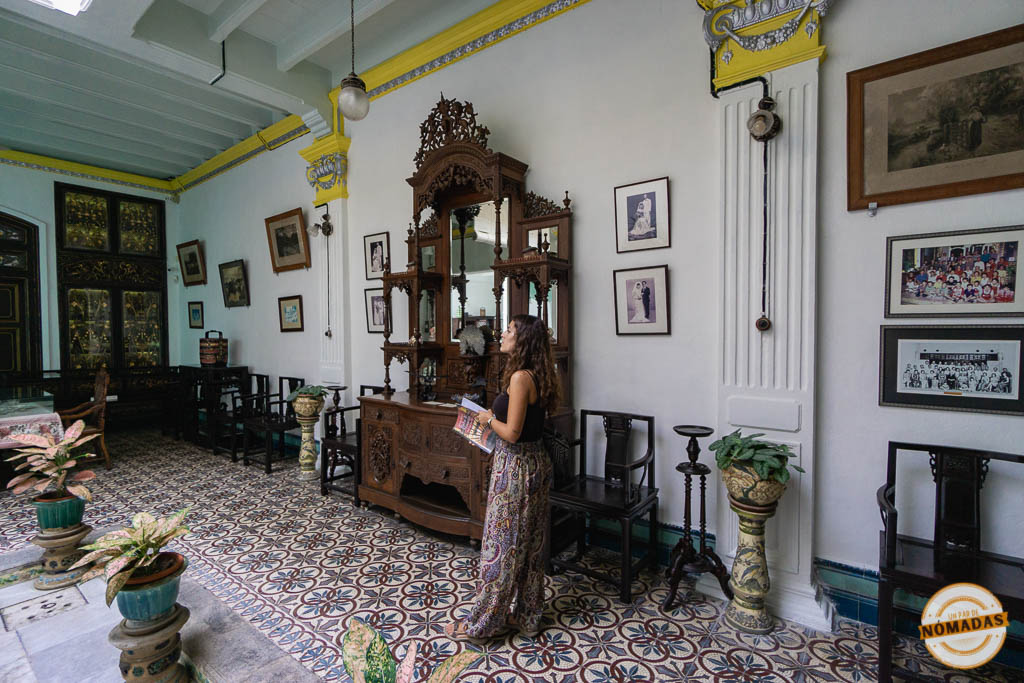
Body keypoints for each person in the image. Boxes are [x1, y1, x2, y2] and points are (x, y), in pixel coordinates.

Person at [446, 314, 561, 643]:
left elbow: (511, 433)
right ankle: (527, 617)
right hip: (535, 464)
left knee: (501, 548)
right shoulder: (538, 373)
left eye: (509, 330)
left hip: (516, 468)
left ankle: (481, 625)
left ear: (522, 339)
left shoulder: (521, 378)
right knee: (530, 548)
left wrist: (486, 419)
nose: (502, 334)